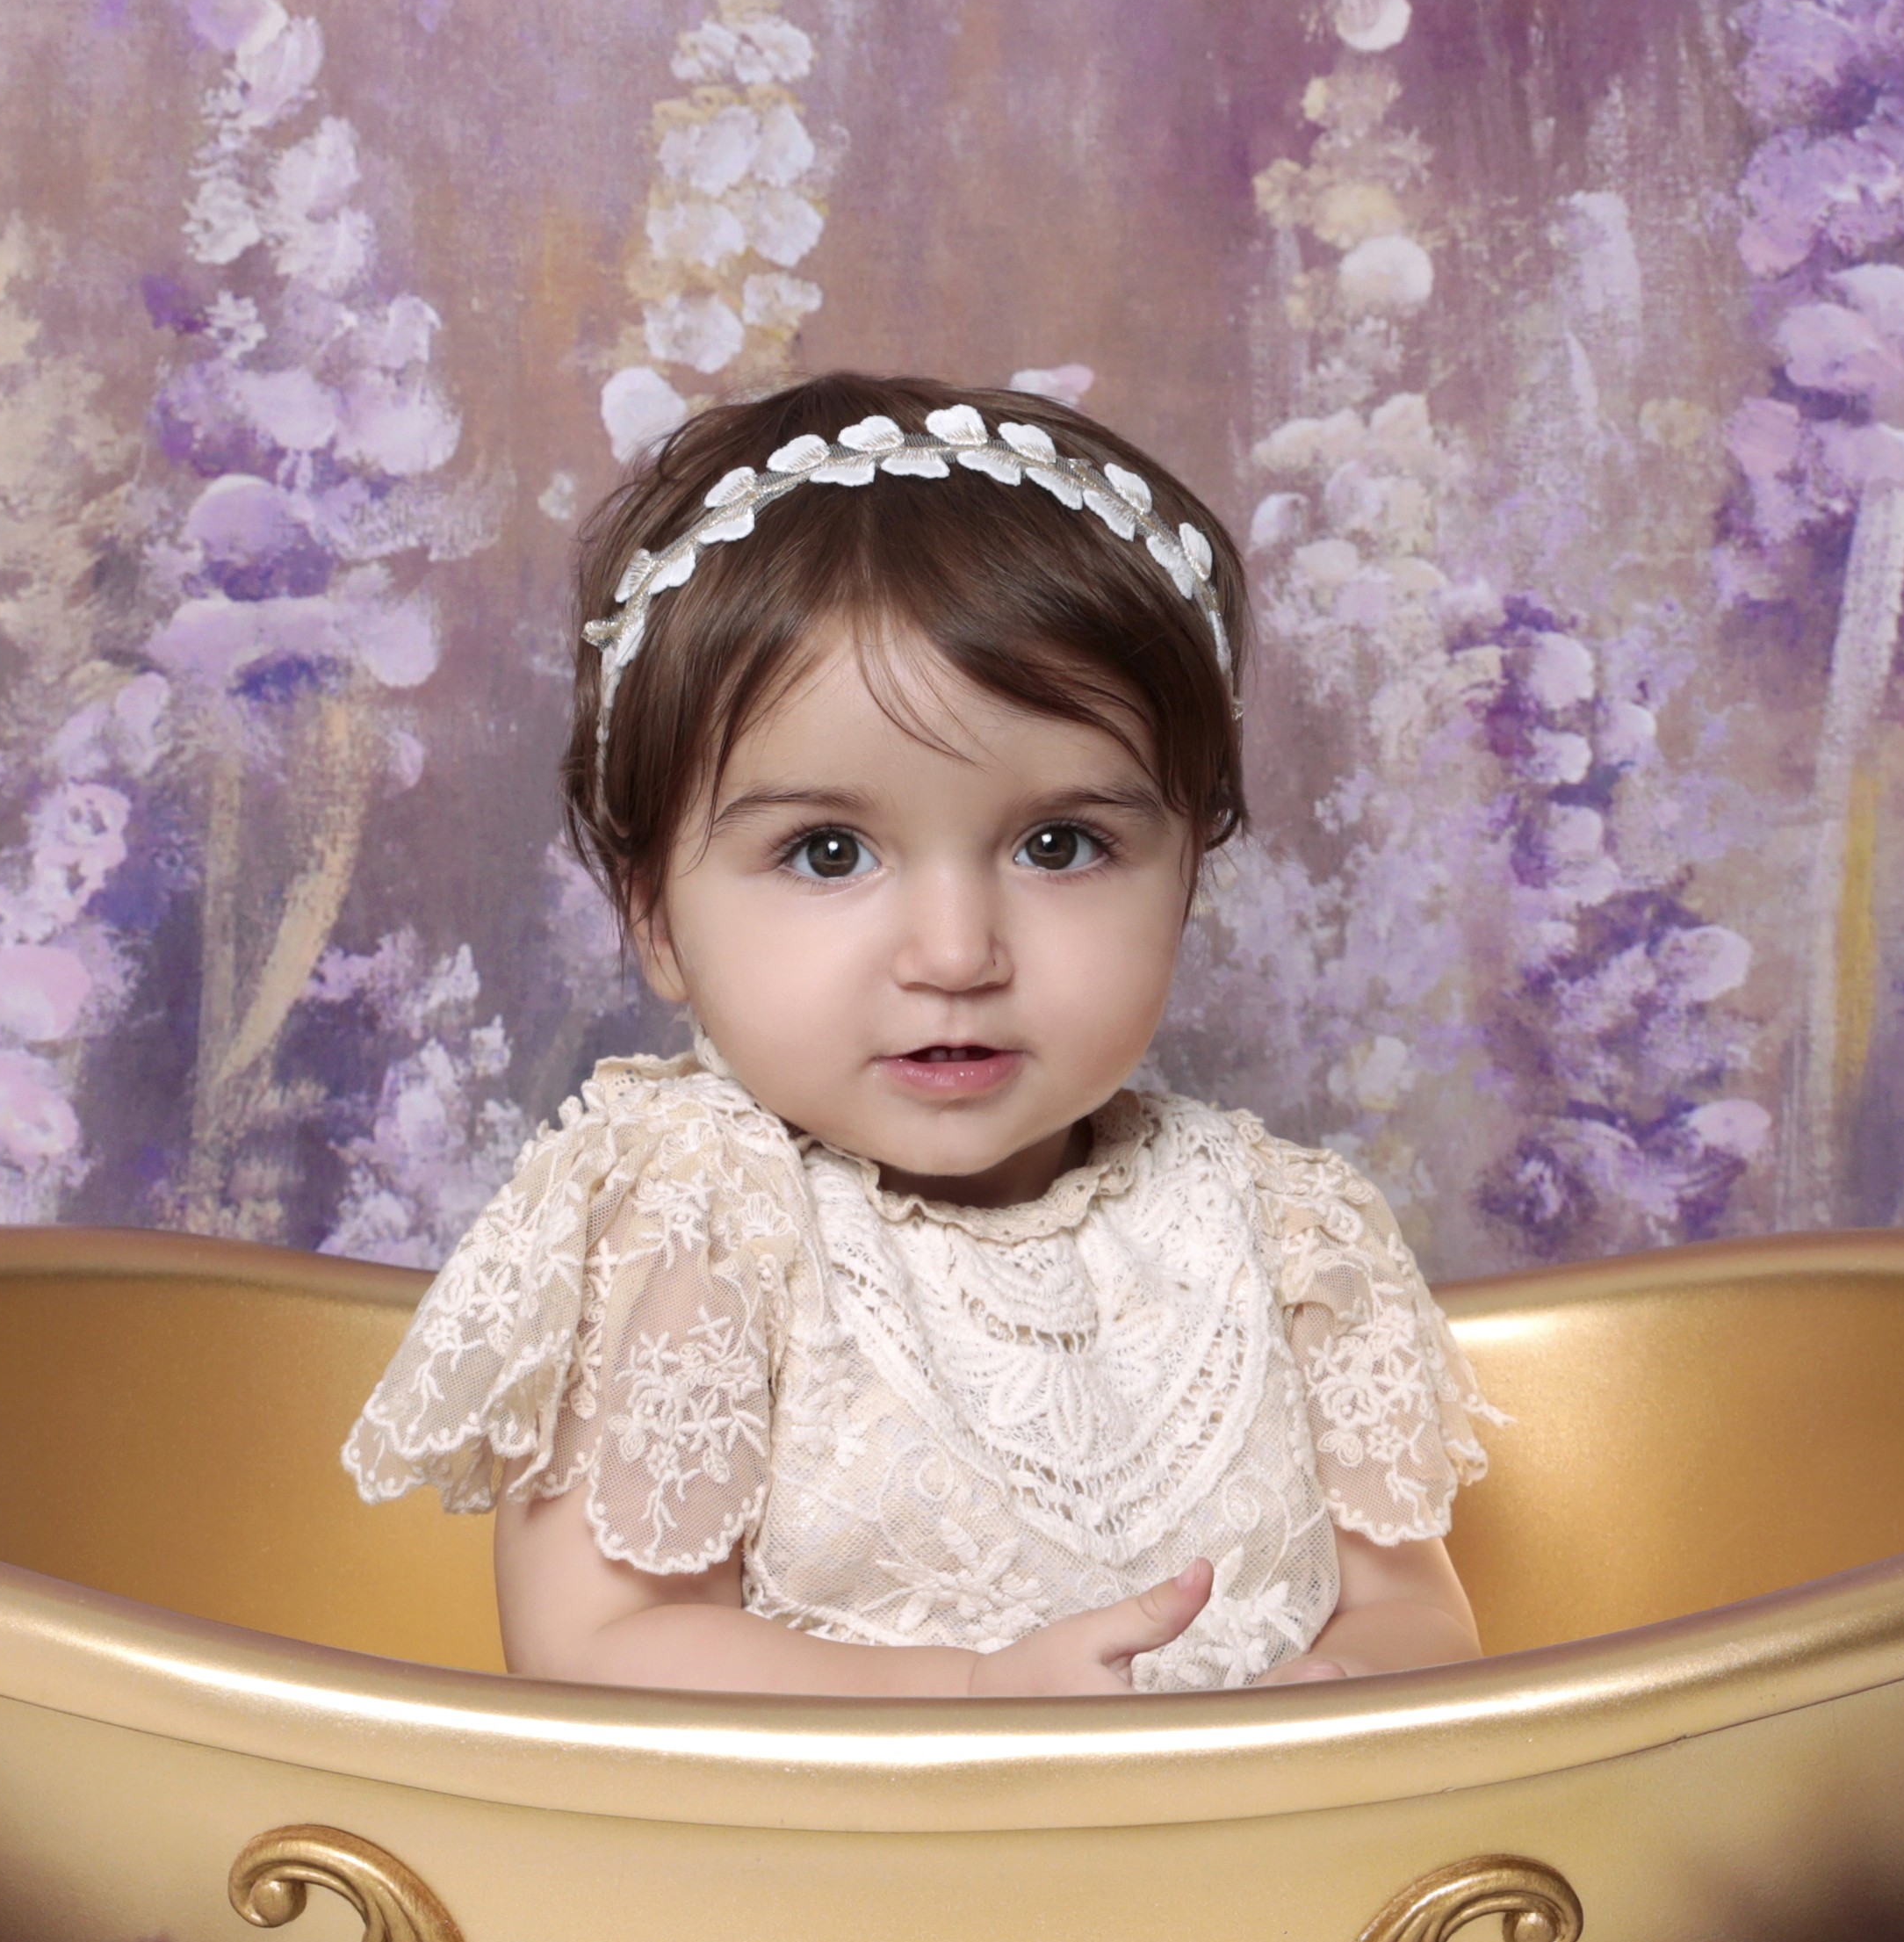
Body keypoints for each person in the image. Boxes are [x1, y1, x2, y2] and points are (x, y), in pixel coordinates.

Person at [341, 372, 1491, 1696]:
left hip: (1263, 1869)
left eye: (1062, 844)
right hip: (847, 1887)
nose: (955, 953)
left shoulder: (1292, 1234)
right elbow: (603, 1648)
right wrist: (971, 1700)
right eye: (828, 852)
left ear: (1188, 874)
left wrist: (1328, 1698)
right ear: (655, 916)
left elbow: (1415, 1614)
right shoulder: (692, 1217)